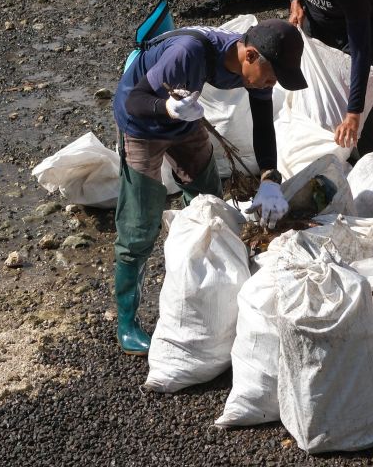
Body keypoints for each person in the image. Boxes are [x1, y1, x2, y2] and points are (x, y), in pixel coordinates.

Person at [112, 19, 307, 355]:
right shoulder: (188, 53)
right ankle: (126, 323)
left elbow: (263, 124)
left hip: (184, 121)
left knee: (209, 203)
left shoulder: (256, 64)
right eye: (272, 76)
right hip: (142, 122)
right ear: (250, 56)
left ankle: (207, 290)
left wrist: (270, 178)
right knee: (139, 225)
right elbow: (133, 100)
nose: (272, 84)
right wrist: (167, 107)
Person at [263, 0, 373, 156]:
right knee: (320, 98)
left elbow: (361, 51)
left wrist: (355, 111)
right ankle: (335, 153)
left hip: (356, 29)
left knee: (364, 113)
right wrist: (295, 1)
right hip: (318, 20)